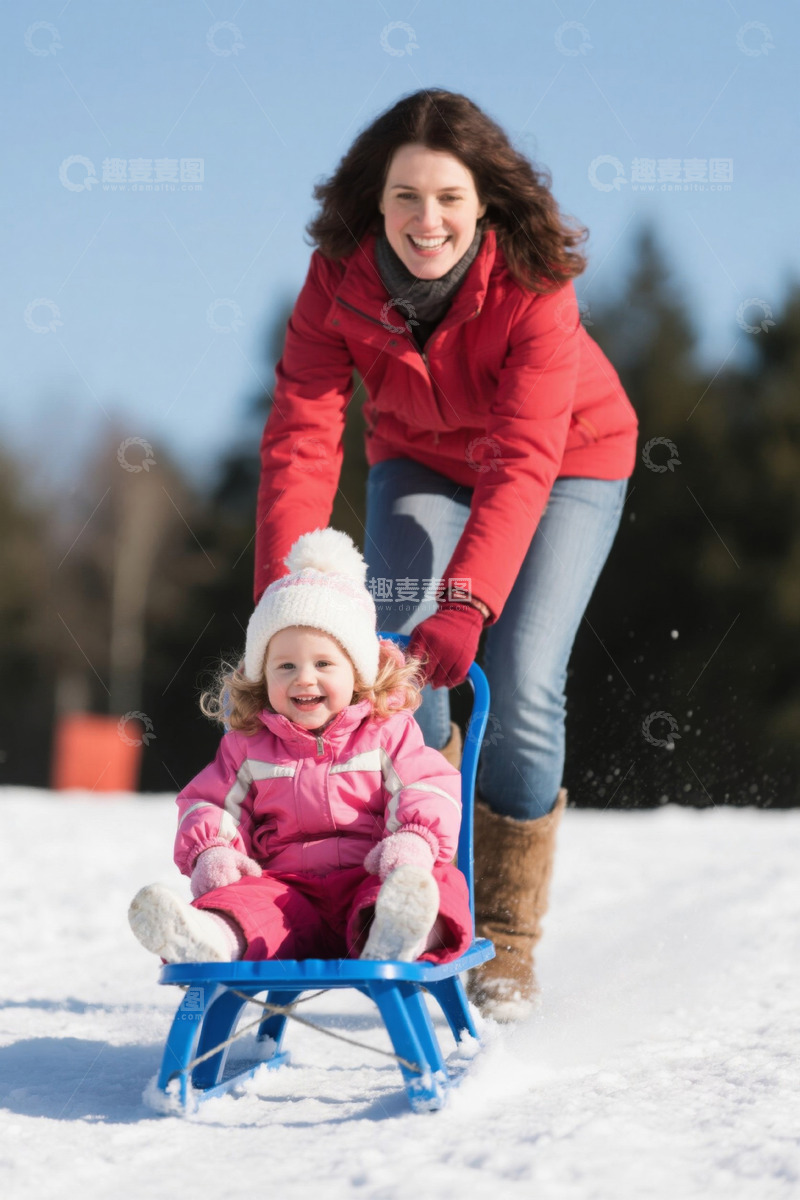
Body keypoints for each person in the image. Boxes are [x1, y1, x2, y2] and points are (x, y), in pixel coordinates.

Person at [254, 90, 639, 1020]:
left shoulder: (535, 286)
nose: (428, 221)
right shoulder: (338, 278)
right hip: (421, 459)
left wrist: (465, 602)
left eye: (451, 199)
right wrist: (284, 594)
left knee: (524, 682)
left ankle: (506, 938)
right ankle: (425, 892)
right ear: (374, 203)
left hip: (567, 464)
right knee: (392, 669)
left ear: (485, 204)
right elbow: (304, 432)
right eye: (406, 198)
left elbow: (522, 459)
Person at [128, 528, 472, 968]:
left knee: (435, 881)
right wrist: (213, 850)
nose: (303, 678)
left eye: (324, 663)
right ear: (262, 676)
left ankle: (403, 930)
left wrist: (414, 840)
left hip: (373, 879)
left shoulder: (389, 732)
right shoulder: (248, 747)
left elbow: (429, 787)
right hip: (288, 895)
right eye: (285, 665)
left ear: (358, 671)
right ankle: (209, 939)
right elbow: (208, 804)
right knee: (250, 902)